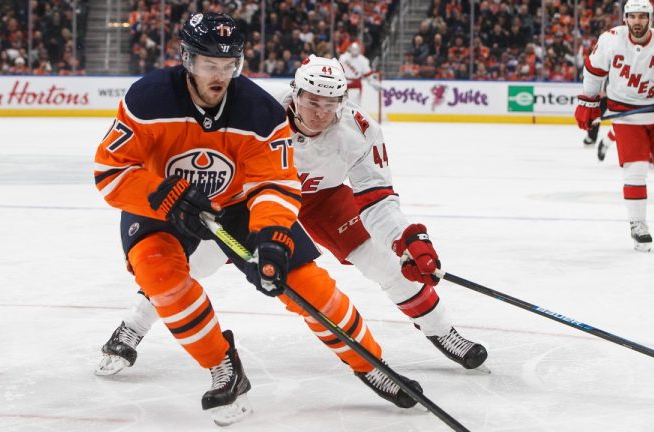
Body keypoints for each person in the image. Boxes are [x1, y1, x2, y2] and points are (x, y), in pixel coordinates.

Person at [93, 12, 423, 426]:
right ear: (187, 60)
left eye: (228, 66)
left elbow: (278, 182)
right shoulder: (148, 98)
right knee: (160, 277)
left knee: (304, 282)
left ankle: (371, 363)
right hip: (161, 202)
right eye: (210, 65)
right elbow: (110, 170)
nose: (219, 75)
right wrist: (164, 195)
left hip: (236, 206)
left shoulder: (260, 111)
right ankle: (222, 366)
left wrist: (270, 233)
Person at [96, 54, 488, 381]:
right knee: (196, 263)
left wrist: (408, 240)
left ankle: (444, 331)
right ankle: (134, 325)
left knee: (384, 263)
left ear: (344, 101)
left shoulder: (362, 131)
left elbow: (378, 199)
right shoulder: (262, 112)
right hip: (256, 200)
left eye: (330, 103)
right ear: (295, 94)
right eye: (311, 101)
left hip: (324, 199)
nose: (320, 113)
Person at [575, 0, 654, 252]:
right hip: (626, 115)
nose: (637, 22)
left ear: (650, 18)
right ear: (625, 18)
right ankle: (638, 224)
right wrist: (588, 100)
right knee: (636, 170)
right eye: (633, 17)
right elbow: (594, 71)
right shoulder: (610, 40)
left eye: (642, 16)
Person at [338, 42, 377, 106]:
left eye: (356, 49)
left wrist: (373, 82)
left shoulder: (363, 60)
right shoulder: (343, 58)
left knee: (354, 105)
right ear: (350, 49)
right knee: (341, 105)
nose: (354, 51)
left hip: (355, 85)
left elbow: (367, 74)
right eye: (353, 49)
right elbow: (338, 70)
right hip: (343, 84)